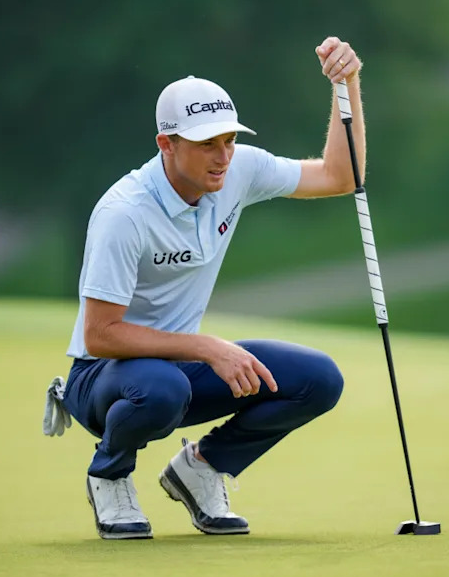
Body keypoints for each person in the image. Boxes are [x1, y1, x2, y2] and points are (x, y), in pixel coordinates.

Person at [42, 37, 365, 540]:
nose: (222, 156)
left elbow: (340, 176)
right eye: (206, 144)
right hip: (104, 381)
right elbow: (101, 334)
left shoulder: (237, 170)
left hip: (178, 371)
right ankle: (109, 475)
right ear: (166, 144)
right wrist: (206, 347)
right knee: (161, 388)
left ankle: (201, 468)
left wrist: (346, 85)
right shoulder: (123, 214)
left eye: (229, 140)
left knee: (317, 379)